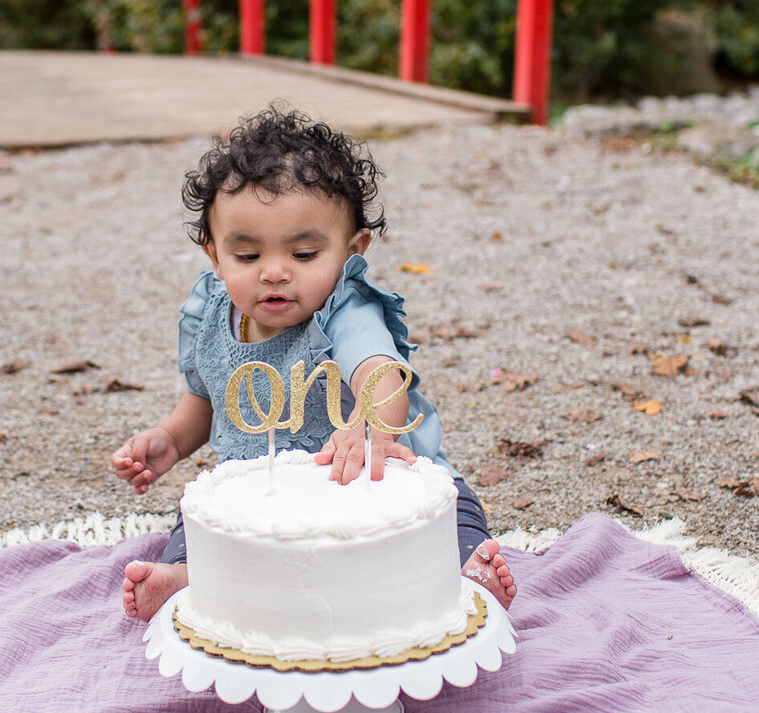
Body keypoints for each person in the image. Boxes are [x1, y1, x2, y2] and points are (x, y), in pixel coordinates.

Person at [113, 106, 517, 622]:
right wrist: (168, 440)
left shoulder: (344, 309)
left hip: (369, 484)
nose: (274, 273)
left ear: (352, 251)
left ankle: (465, 576)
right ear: (214, 254)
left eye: (304, 255)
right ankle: (188, 578)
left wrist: (367, 427)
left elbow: (380, 374)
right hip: (264, 492)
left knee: (450, 513)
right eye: (247, 257)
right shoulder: (208, 313)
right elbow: (207, 396)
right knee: (196, 526)